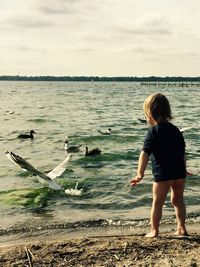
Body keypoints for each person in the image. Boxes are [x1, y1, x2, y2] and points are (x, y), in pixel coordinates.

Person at [130, 93, 189, 238]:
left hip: (163, 175)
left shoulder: (153, 132)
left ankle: (154, 230)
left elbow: (145, 153)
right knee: (178, 200)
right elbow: (182, 152)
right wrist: (184, 168)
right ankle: (181, 228)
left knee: (157, 203)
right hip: (179, 173)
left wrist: (140, 173)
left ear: (150, 113)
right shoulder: (175, 130)